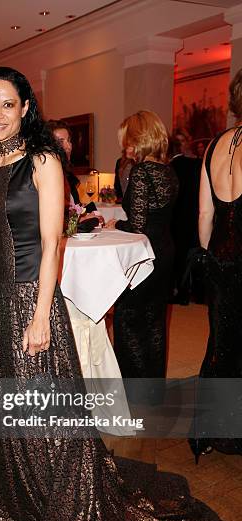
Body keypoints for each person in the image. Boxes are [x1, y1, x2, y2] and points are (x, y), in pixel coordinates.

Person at [0, 68, 227, 521]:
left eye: (7, 104)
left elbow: (52, 243)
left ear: (24, 108)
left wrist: (41, 313)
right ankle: (23, 498)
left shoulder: (43, 160)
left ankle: (63, 501)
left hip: (29, 300)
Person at [189, 68, 242, 462]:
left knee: (221, 345)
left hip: (220, 259)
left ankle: (211, 431)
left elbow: (205, 215)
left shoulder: (215, 146)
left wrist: (209, 257)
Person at [106, 111, 178, 383]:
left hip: (144, 257)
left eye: (128, 140)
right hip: (166, 251)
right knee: (155, 322)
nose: (126, 146)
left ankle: (132, 388)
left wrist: (115, 225)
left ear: (139, 139)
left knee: (128, 319)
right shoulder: (168, 171)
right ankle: (153, 389)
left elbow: (137, 225)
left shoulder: (141, 172)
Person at [169, 135, 202, 305]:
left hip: (178, 216)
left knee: (181, 254)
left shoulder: (173, 166)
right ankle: (193, 292)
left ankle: (181, 292)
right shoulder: (197, 164)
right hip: (195, 213)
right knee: (192, 253)